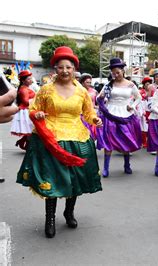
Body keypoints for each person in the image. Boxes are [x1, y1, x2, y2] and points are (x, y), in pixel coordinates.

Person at [16, 46, 102, 238]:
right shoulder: (46, 90)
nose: (65, 71)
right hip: (51, 140)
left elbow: (88, 113)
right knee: (53, 180)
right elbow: (34, 109)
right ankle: (50, 218)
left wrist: (95, 120)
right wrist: (37, 114)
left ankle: (69, 212)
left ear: (74, 69)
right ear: (55, 69)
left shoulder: (82, 92)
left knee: (75, 179)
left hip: (78, 139)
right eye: (61, 67)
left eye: (68, 67)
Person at [96, 58, 142, 177]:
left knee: (126, 139)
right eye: (113, 73)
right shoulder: (108, 85)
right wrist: (102, 99)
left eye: (118, 72)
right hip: (110, 113)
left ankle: (127, 165)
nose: (116, 75)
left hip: (126, 114)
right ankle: (106, 168)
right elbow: (99, 97)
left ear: (123, 71)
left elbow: (138, 98)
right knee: (108, 141)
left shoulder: (131, 84)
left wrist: (132, 106)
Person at [10, 70, 35, 150]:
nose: (31, 80)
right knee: (31, 129)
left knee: (31, 130)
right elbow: (26, 101)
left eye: (31, 78)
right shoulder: (24, 89)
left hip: (27, 110)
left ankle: (23, 142)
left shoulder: (26, 88)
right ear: (23, 80)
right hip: (25, 111)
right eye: (28, 79)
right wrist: (36, 100)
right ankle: (27, 145)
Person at [79, 73, 98, 139]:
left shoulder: (94, 91)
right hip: (82, 114)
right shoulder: (78, 91)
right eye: (87, 82)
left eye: (90, 82)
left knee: (93, 133)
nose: (89, 84)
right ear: (82, 82)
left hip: (92, 113)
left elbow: (95, 103)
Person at [138, 76, 154, 148]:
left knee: (150, 127)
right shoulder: (141, 92)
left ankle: (149, 141)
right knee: (144, 126)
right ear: (144, 85)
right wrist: (142, 111)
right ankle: (144, 142)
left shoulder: (153, 92)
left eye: (149, 84)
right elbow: (140, 103)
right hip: (143, 111)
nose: (148, 86)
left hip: (151, 111)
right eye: (147, 84)